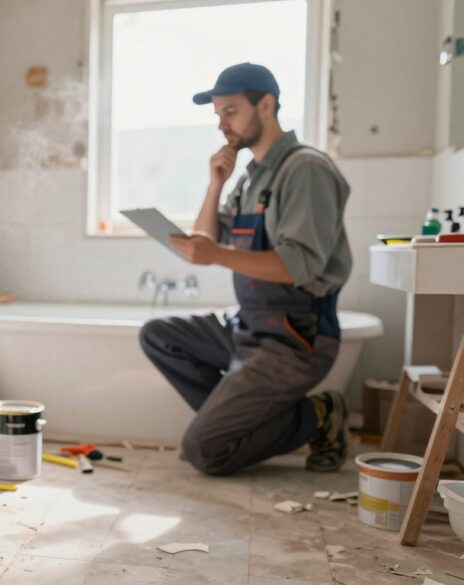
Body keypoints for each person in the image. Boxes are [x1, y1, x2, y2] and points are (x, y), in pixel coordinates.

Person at [139, 63, 353, 476]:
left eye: (231, 111)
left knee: (205, 451)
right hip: (248, 326)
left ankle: (319, 415)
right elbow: (207, 239)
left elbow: (300, 265)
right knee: (159, 336)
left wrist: (215, 254)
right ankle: (234, 419)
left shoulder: (305, 169)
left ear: (267, 105)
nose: (221, 124)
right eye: (217, 114)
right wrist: (216, 182)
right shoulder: (250, 177)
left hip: (297, 337)